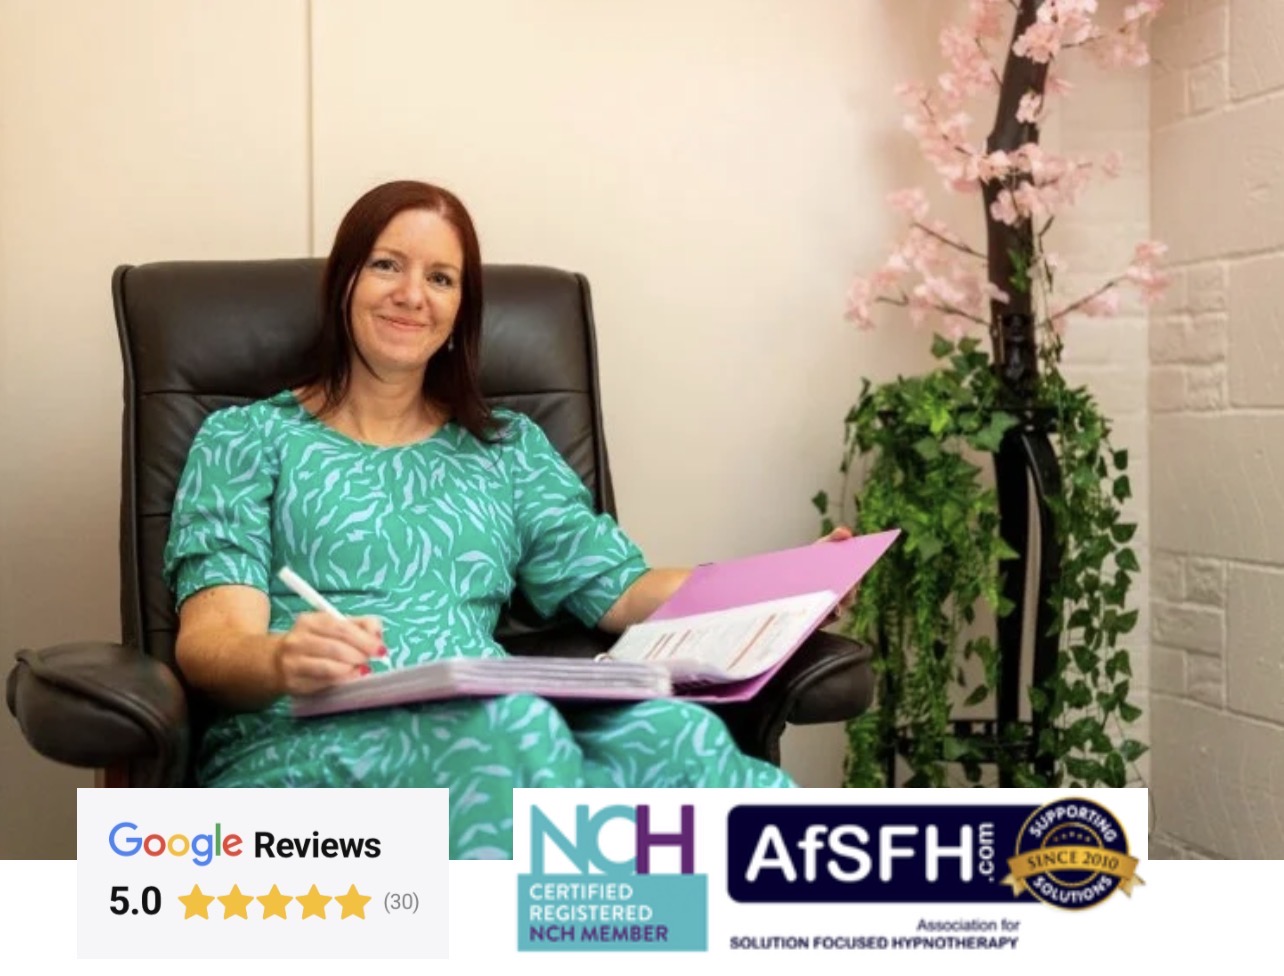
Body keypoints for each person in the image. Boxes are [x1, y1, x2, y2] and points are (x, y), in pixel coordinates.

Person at [163, 180, 849, 859]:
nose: (412, 295)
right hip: (306, 732)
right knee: (515, 734)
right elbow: (213, 644)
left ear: (461, 309)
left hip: (488, 712)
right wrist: (283, 658)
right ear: (344, 280)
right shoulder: (248, 440)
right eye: (386, 265)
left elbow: (620, 588)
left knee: (678, 737)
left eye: (441, 278)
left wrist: (787, 587)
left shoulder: (506, 449)